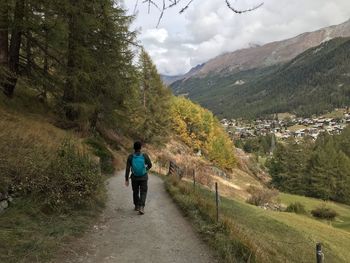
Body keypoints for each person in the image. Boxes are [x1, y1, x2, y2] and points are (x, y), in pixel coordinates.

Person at [125, 141, 152, 215]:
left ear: (134, 148)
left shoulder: (130, 156)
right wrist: (145, 170)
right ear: (140, 148)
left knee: (135, 191)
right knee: (143, 192)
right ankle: (142, 207)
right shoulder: (144, 155)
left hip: (134, 177)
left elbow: (127, 168)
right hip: (143, 177)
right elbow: (150, 165)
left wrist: (126, 179)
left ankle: (136, 206)